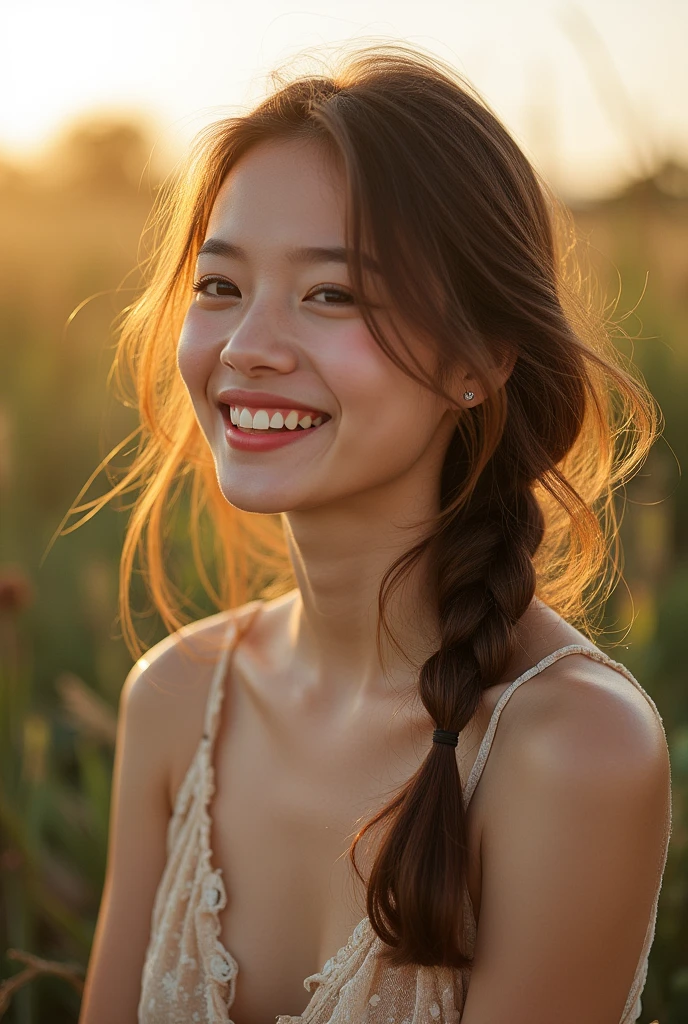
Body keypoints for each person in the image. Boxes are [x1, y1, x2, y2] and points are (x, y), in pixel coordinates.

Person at [77, 42, 672, 1024]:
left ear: (479, 357)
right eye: (219, 286)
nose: (247, 346)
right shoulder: (176, 699)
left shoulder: (572, 749)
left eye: (332, 294)